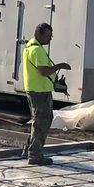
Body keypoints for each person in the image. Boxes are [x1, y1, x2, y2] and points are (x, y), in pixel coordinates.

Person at [21, 22, 71, 165]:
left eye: (51, 36)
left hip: (36, 89)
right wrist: (60, 66)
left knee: (38, 120)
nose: (50, 39)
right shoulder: (36, 50)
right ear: (38, 35)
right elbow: (43, 71)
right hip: (39, 91)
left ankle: (29, 149)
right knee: (42, 121)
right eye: (48, 36)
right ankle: (35, 154)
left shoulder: (30, 48)